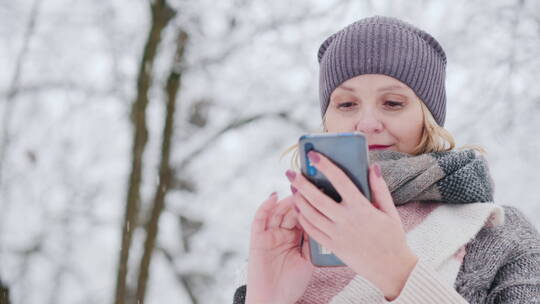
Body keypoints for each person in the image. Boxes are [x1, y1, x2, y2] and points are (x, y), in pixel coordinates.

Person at [232, 15, 540, 303]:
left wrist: (397, 273)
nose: (367, 123)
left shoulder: (498, 233)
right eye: (347, 103)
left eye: (392, 103)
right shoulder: (289, 237)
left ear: (428, 117)